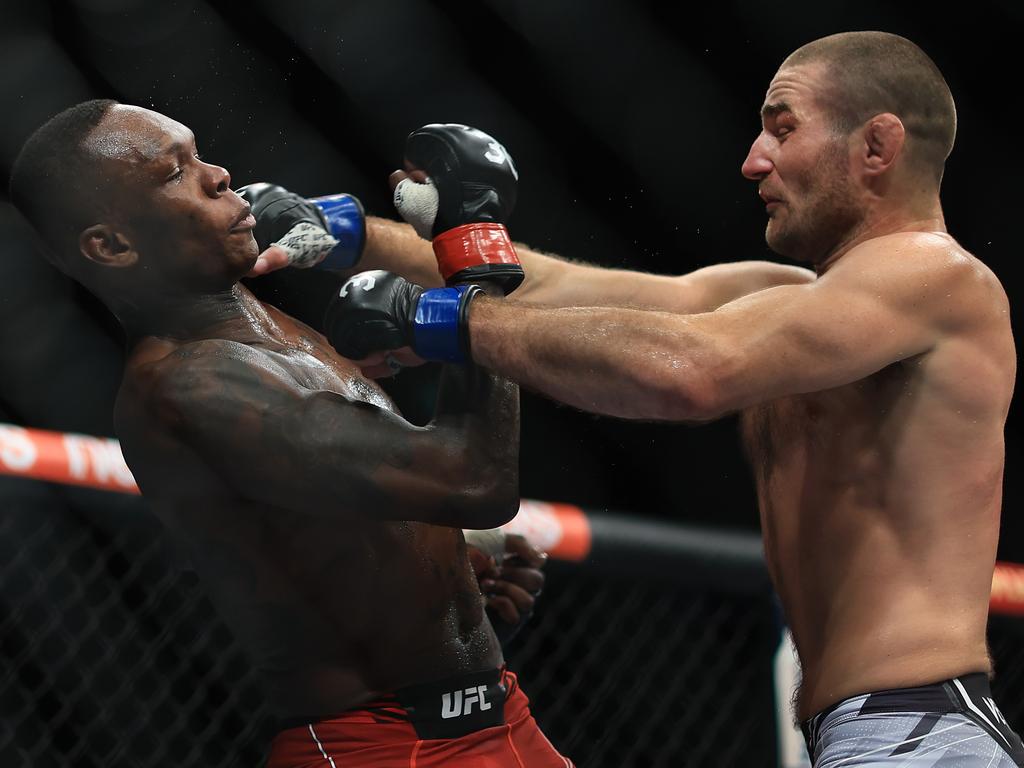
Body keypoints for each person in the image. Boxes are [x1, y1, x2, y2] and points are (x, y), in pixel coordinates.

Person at [328, 32, 1024, 766]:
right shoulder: (782, 300)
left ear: (877, 145)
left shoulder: (939, 278)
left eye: (783, 127)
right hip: (876, 733)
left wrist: (442, 321)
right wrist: (337, 232)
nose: (754, 159)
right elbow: (553, 290)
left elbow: (691, 370)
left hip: (913, 733)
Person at [8, 100, 570, 767]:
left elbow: (370, 514)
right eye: (173, 173)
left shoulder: (270, 331)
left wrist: (453, 582)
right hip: (384, 750)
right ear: (113, 245)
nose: (219, 176)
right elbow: (473, 479)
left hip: (499, 716)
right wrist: (473, 248)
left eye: (201, 153)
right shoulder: (192, 385)